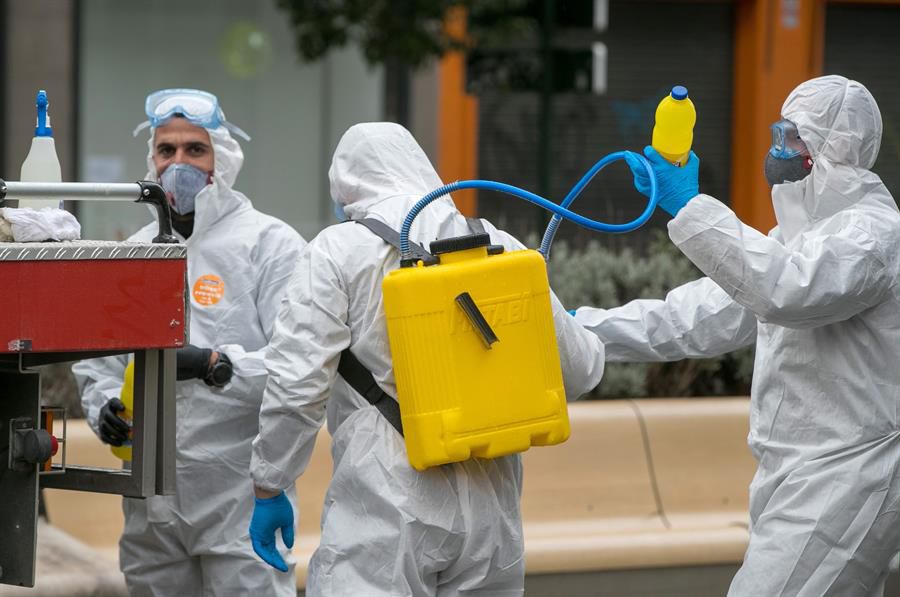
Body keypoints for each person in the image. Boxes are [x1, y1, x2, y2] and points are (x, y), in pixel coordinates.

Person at [247, 122, 606, 595]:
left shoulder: (337, 251)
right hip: (492, 505)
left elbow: (297, 385)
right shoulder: (498, 242)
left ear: (346, 184)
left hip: (388, 495)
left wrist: (270, 482)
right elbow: (581, 368)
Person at [577, 74, 900, 596]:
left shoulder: (872, 235)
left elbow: (784, 290)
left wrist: (689, 205)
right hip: (797, 473)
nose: (778, 149)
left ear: (828, 150)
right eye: (779, 133)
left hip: (850, 472)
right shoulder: (799, 239)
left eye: (793, 137)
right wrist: (581, 326)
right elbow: (696, 317)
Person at [73, 88, 305, 596]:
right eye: (166, 150)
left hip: (239, 493)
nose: (178, 163)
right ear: (151, 161)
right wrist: (103, 406)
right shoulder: (133, 254)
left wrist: (214, 364)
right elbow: (98, 361)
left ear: (224, 159)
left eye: (195, 149)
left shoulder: (270, 245)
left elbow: (300, 365)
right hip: (150, 503)